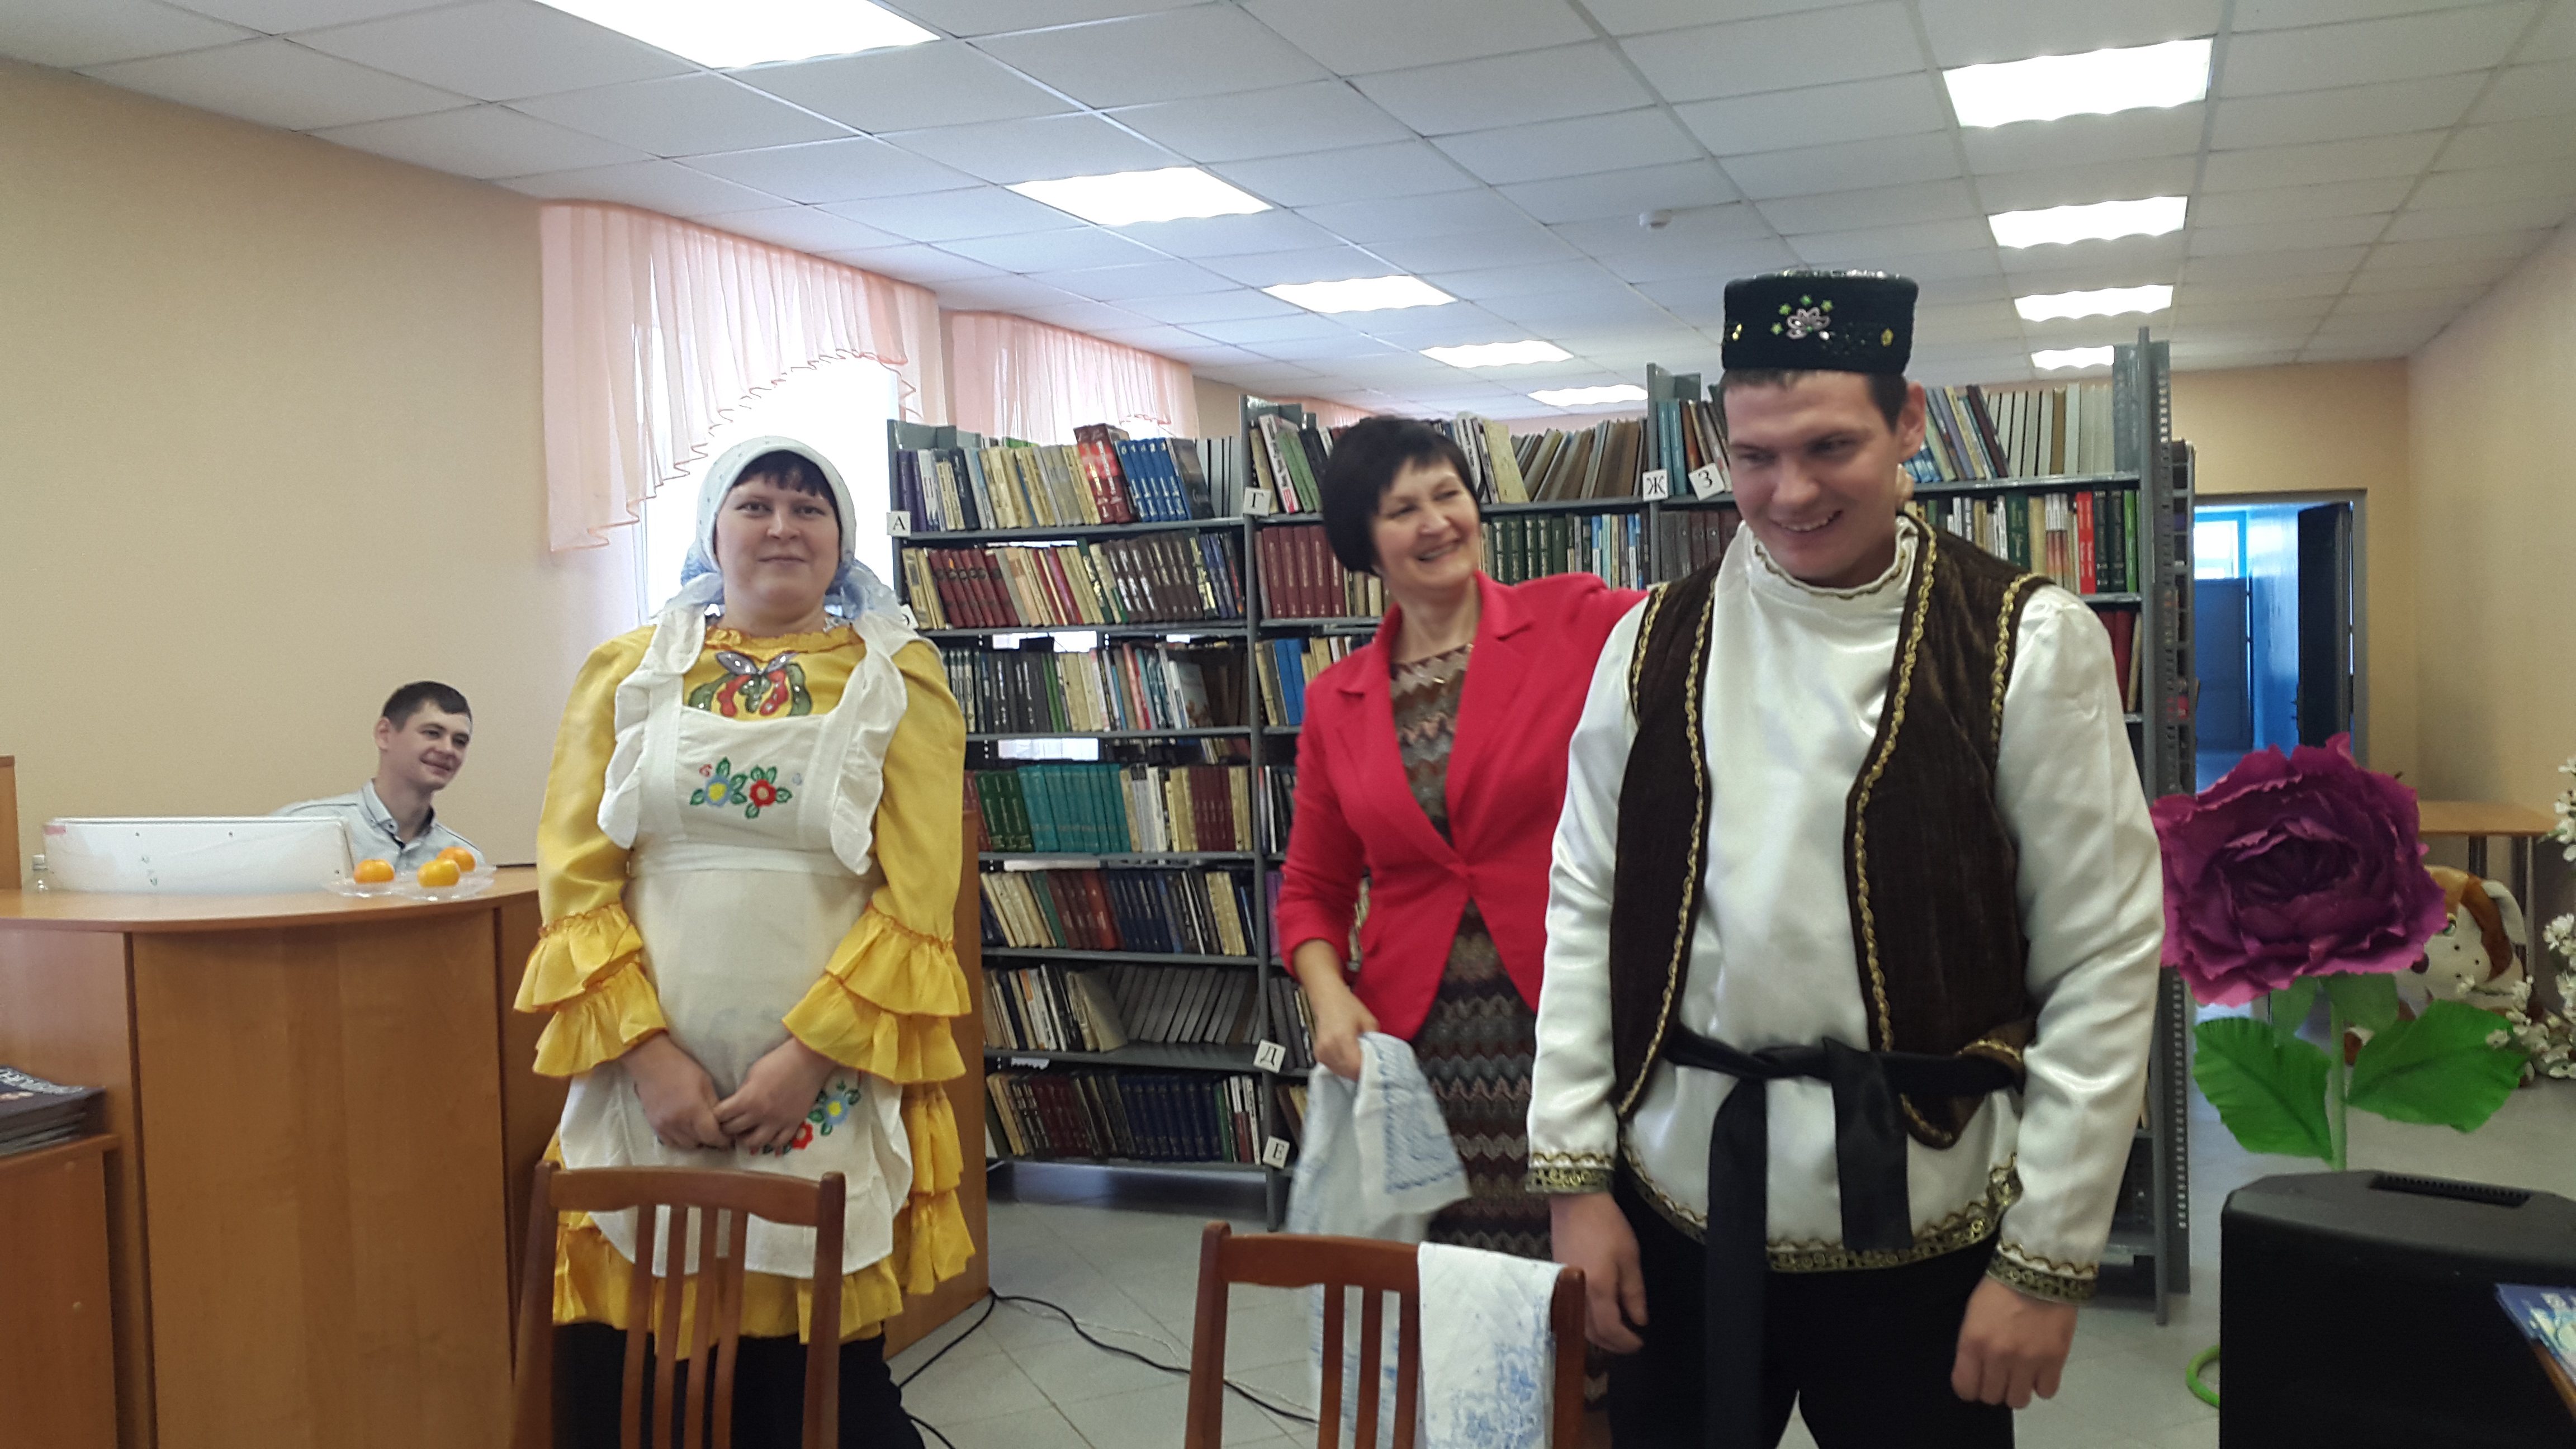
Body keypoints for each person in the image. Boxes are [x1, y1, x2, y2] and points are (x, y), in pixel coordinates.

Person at [1527, 271, 2163, 1448]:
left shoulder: (2027, 643)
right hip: (1679, 1201)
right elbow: (1584, 908)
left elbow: (2103, 959)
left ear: (1907, 420)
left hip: (1922, 1217)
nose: (1791, 492)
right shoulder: (1648, 643)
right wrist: (1575, 1183)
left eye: (1830, 447)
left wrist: (2045, 1257)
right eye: (1755, 456)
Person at [516, 437, 972, 1448]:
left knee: (814, 1394)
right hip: (646, 1082)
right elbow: (577, 877)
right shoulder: (628, 670)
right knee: (632, 1382)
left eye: (809, 510)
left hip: (822, 1079)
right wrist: (648, 1056)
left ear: (842, 541)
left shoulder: (898, 679)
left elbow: (917, 898)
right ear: (712, 533)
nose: (782, 528)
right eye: (756, 504)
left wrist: (807, 1060)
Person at [1275, 415, 1643, 1259]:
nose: (1437, 521)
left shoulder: (1575, 618)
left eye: (1448, 494)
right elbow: (1312, 889)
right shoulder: (1336, 700)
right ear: (1363, 544)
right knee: (1453, 1288)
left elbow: (1708, 627)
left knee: (1595, 1281)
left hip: (1574, 1020)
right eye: (1403, 509)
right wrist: (1328, 995)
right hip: (1417, 1052)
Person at [276, 680, 479, 873]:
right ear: (384, 734)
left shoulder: (466, 860)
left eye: (460, 741)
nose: (448, 749)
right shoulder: (301, 828)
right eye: (432, 733)